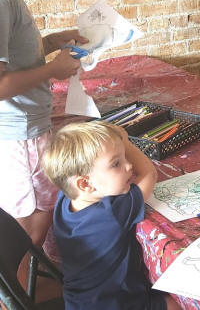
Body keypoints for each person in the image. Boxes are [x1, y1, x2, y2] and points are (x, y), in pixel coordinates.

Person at [0, 0, 87, 277]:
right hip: (21, 135)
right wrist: (53, 69)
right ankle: (17, 300)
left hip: (19, 131)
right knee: (28, 234)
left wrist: (49, 42)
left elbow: (11, 56)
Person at [42, 121, 181, 310]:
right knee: (178, 303)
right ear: (85, 184)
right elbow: (149, 174)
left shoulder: (65, 199)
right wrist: (125, 141)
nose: (129, 165)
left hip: (81, 302)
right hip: (119, 304)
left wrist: (116, 151)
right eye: (116, 163)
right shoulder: (111, 213)